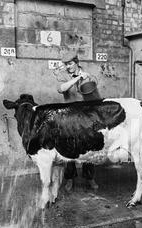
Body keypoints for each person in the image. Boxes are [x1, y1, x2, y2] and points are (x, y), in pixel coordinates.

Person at [55, 50, 101, 191]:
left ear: (76, 63)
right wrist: (76, 78)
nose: (68, 67)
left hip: (85, 117)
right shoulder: (64, 76)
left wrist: (87, 79)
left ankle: (90, 178)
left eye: (70, 64)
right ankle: (70, 179)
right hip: (69, 117)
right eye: (66, 64)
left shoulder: (88, 76)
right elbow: (61, 89)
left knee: (89, 148)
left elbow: (96, 97)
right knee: (69, 148)